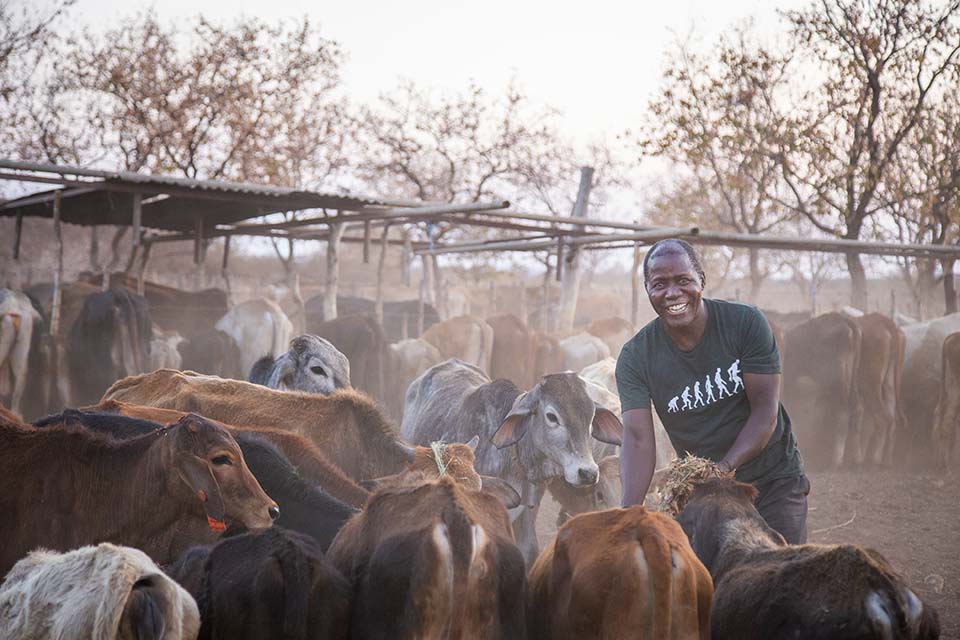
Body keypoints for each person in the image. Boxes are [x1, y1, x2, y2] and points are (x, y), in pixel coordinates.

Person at [615, 238, 809, 543]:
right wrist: (629, 511)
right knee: (707, 583)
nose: (672, 293)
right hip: (705, 493)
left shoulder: (745, 324)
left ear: (701, 281)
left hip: (773, 478)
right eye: (659, 284)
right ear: (648, 289)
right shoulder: (636, 356)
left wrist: (724, 468)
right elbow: (638, 438)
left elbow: (765, 412)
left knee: (782, 572)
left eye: (683, 280)